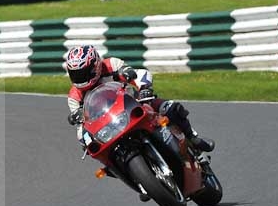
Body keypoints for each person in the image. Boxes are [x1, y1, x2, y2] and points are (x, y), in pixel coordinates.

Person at [65, 44, 214, 154]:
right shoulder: (74, 97)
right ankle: (133, 176)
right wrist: (85, 138)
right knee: (99, 154)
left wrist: (144, 89)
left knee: (171, 107)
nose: (79, 78)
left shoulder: (110, 65)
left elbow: (140, 74)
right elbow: (81, 127)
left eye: (83, 73)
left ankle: (194, 138)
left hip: (134, 104)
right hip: (108, 125)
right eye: (75, 74)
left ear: (95, 66)